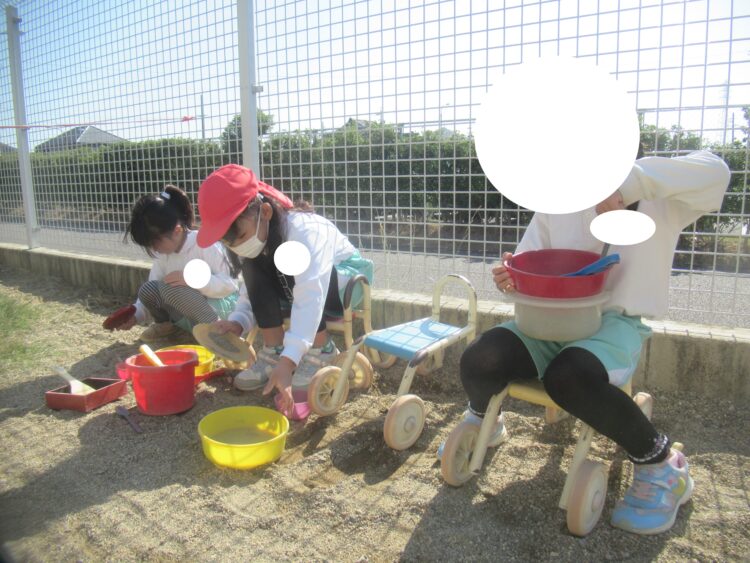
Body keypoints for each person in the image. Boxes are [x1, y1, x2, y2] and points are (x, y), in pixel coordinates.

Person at [447, 148, 730, 535]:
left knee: (569, 377)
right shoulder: (561, 198)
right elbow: (530, 258)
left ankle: (662, 466)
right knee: (480, 357)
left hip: (614, 323)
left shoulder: (660, 198)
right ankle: (484, 422)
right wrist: (512, 275)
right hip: (550, 316)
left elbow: (716, 172)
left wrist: (627, 184)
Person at [195, 164, 372, 414]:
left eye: (241, 236)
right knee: (254, 264)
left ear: (265, 211)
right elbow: (252, 288)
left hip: (345, 284)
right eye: (229, 242)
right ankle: (274, 349)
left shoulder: (304, 230)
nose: (237, 246)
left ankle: (321, 348)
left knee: (289, 259)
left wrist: (289, 362)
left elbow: (311, 294)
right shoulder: (259, 237)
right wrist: (238, 321)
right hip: (299, 288)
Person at [121, 185, 239, 341]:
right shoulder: (163, 255)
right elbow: (154, 289)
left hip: (219, 310)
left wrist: (194, 279)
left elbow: (230, 284)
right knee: (148, 289)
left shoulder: (204, 244)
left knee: (171, 288)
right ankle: (168, 327)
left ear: (177, 231)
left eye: (155, 243)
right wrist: (135, 315)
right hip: (189, 316)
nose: (153, 249)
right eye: (149, 245)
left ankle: (216, 334)